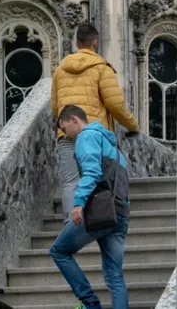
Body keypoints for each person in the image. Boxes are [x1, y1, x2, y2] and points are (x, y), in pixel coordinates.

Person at [51, 23, 138, 220]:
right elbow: (115, 104)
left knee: (71, 181)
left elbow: (55, 107)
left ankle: (71, 224)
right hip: (94, 134)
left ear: (76, 43)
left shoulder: (60, 70)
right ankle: (102, 220)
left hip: (67, 133)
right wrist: (132, 125)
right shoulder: (101, 68)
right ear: (96, 43)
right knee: (101, 180)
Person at [50, 105, 130, 309]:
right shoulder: (113, 147)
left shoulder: (86, 137)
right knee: (115, 276)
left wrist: (78, 203)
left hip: (99, 211)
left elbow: (92, 173)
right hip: (120, 213)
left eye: (64, 128)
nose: (65, 135)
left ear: (74, 119)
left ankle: (90, 302)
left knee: (58, 251)